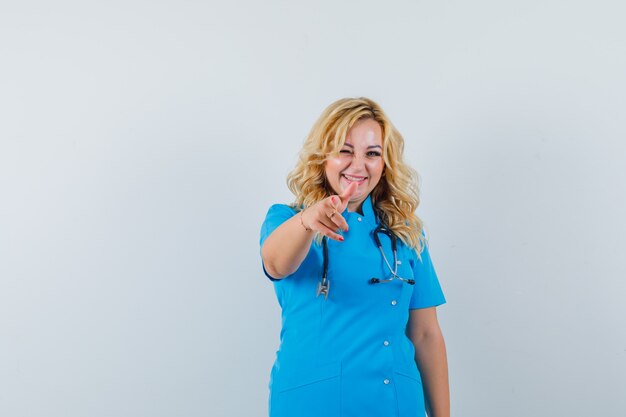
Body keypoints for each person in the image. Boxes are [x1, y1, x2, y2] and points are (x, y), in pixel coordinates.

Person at [259, 97, 449, 417]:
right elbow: (276, 263)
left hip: (398, 404)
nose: (358, 166)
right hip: (316, 404)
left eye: (372, 154)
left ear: (385, 163)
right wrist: (309, 220)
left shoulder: (405, 235)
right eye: (345, 151)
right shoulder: (288, 219)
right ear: (323, 157)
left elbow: (426, 334)